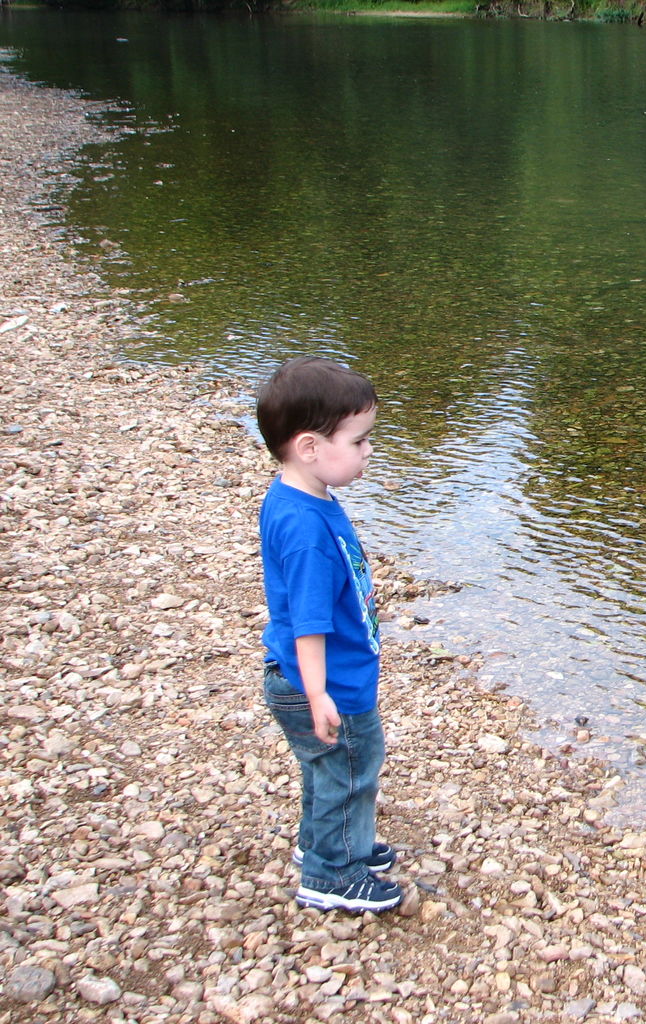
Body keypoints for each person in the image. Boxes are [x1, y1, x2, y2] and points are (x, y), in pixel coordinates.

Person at [255, 356, 402, 913]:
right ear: (311, 447)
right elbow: (310, 622)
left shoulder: (296, 495)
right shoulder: (307, 529)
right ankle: (332, 873)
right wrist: (318, 694)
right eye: (360, 441)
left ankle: (328, 843)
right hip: (327, 681)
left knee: (327, 767)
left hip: (311, 675)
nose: (369, 451)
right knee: (350, 767)